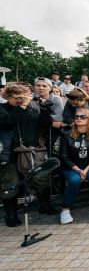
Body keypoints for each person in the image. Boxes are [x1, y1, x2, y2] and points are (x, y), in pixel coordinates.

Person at [0, 84, 57, 227]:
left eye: (23, 97)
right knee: (11, 182)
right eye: (17, 98)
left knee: (41, 179)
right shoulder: (2, 109)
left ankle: (44, 205)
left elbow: (45, 125)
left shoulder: (32, 108)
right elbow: (8, 122)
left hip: (33, 151)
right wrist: (23, 106)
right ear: (8, 97)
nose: (21, 100)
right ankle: (11, 215)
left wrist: (44, 110)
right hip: (11, 154)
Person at [59, 109, 89, 224]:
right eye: (77, 116)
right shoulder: (66, 135)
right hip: (72, 167)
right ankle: (65, 210)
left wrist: (86, 169)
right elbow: (63, 156)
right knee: (75, 179)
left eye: (82, 117)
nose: (78, 118)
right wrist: (78, 169)